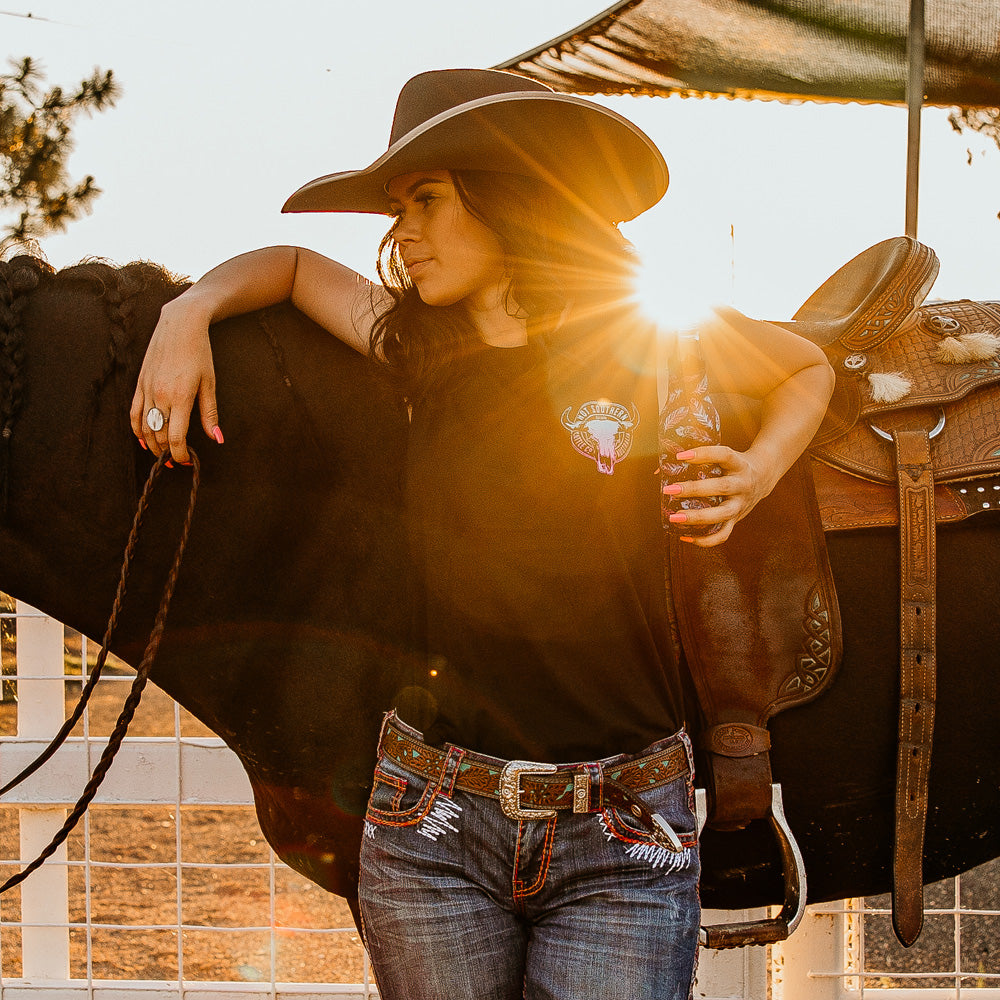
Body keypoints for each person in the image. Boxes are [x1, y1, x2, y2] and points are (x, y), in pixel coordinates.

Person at [130, 68, 834, 1000]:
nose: (401, 236)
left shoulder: (649, 339)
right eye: (395, 210)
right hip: (430, 823)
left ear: (513, 195)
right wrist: (188, 311)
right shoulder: (421, 346)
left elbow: (806, 366)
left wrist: (759, 468)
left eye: (425, 200)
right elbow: (294, 268)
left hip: (622, 829)